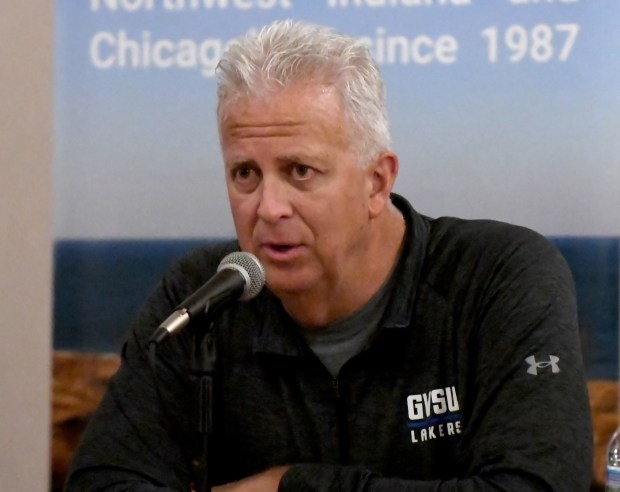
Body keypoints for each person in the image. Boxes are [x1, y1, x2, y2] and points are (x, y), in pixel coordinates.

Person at [66, 19, 593, 491]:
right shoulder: (202, 295)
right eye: (245, 173)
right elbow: (104, 480)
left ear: (377, 182)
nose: (268, 208)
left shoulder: (499, 276)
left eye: (300, 171)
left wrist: (291, 487)